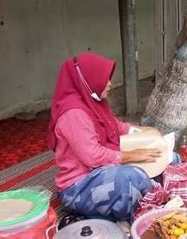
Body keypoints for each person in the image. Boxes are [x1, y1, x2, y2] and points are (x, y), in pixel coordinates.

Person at [47, 53, 175, 222]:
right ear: (89, 79)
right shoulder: (74, 114)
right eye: (105, 79)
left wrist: (146, 134)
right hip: (79, 186)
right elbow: (92, 156)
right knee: (130, 177)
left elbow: (116, 127)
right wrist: (132, 155)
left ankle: (145, 197)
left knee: (168, 157)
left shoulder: (93, 101)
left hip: (100, 171)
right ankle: (115, 215)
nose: (110, 84)